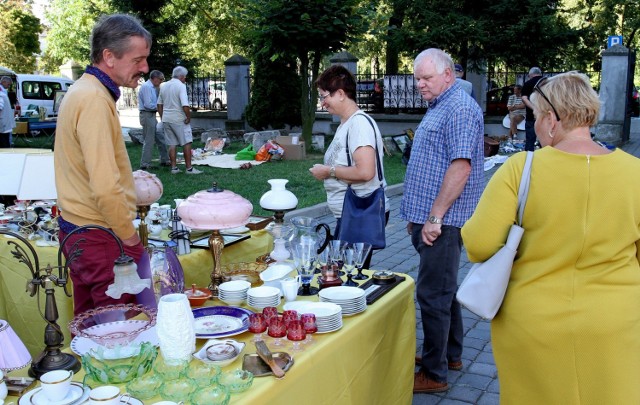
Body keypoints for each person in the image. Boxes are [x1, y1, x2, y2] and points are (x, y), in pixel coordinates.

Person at [461, 71, 640, 403]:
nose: (536, 125)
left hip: (533, 323)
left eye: (536, 116)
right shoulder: (635, 173)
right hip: (616, 319)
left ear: (552, 118)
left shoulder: (521, 168)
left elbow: (478, 243)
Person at [54, 14, 152, 316]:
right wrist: (129, 237)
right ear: (109, 56)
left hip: (79, 229)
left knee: (90, 323)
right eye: (138, 60)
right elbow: (104, 185)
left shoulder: (84, 90)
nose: (145, 68)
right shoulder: (94, 99)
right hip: (101, 234)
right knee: (121, 330)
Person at [401, 49, 484, 393]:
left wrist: (433, 217)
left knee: (432, 294)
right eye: (417, 78)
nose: (419, 84)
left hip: (444, 222)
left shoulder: (460, 109)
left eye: (426, 78)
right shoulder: (441, 104)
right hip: (431, 219)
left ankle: (435, 375)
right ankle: (450, 354)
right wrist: (416, 216)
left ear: (448, 75)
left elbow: (460, 167)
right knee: (443, 291)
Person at [309, 65, 389, 269]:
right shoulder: (347, 123)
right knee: (346, 274)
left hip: (359, 213)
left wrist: (329, 171)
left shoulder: (359, 125)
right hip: (350, 213)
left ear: (341, 94)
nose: (323, 102)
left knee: (349, 277)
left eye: (324, 96)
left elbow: (365, 172)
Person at [157, 66, 202, 175]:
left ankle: (174, 168)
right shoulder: (181, 86)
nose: (185, 79)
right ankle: (189, 168)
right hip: (178, 118)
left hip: (167, 118)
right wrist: (188, 117)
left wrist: (163, 117)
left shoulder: (163, 85)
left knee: (172, 143)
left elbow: (159, 104)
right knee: (186, 142)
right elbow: (185, 105)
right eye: (185, 77)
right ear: (181, 76)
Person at [138, 69, 170, 170]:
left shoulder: (153, 87)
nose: (161, 81)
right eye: (160, 79)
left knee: (160, 136)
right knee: (149, 139)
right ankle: (145, 163)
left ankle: (165, 159)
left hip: (151, 115)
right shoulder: (147, 87)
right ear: (155, 78)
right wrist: (159, 107)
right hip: (147, 114)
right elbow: (148, 105)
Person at [520, 67, 543, 151]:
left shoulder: (528, 83)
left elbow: (524, 98)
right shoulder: (548, 82)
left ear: (530, 75)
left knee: (530, 140)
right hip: (546, 115)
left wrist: (534, 109)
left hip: (531, 116)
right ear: (540, 74)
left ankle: (529, 161)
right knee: (545, 141)